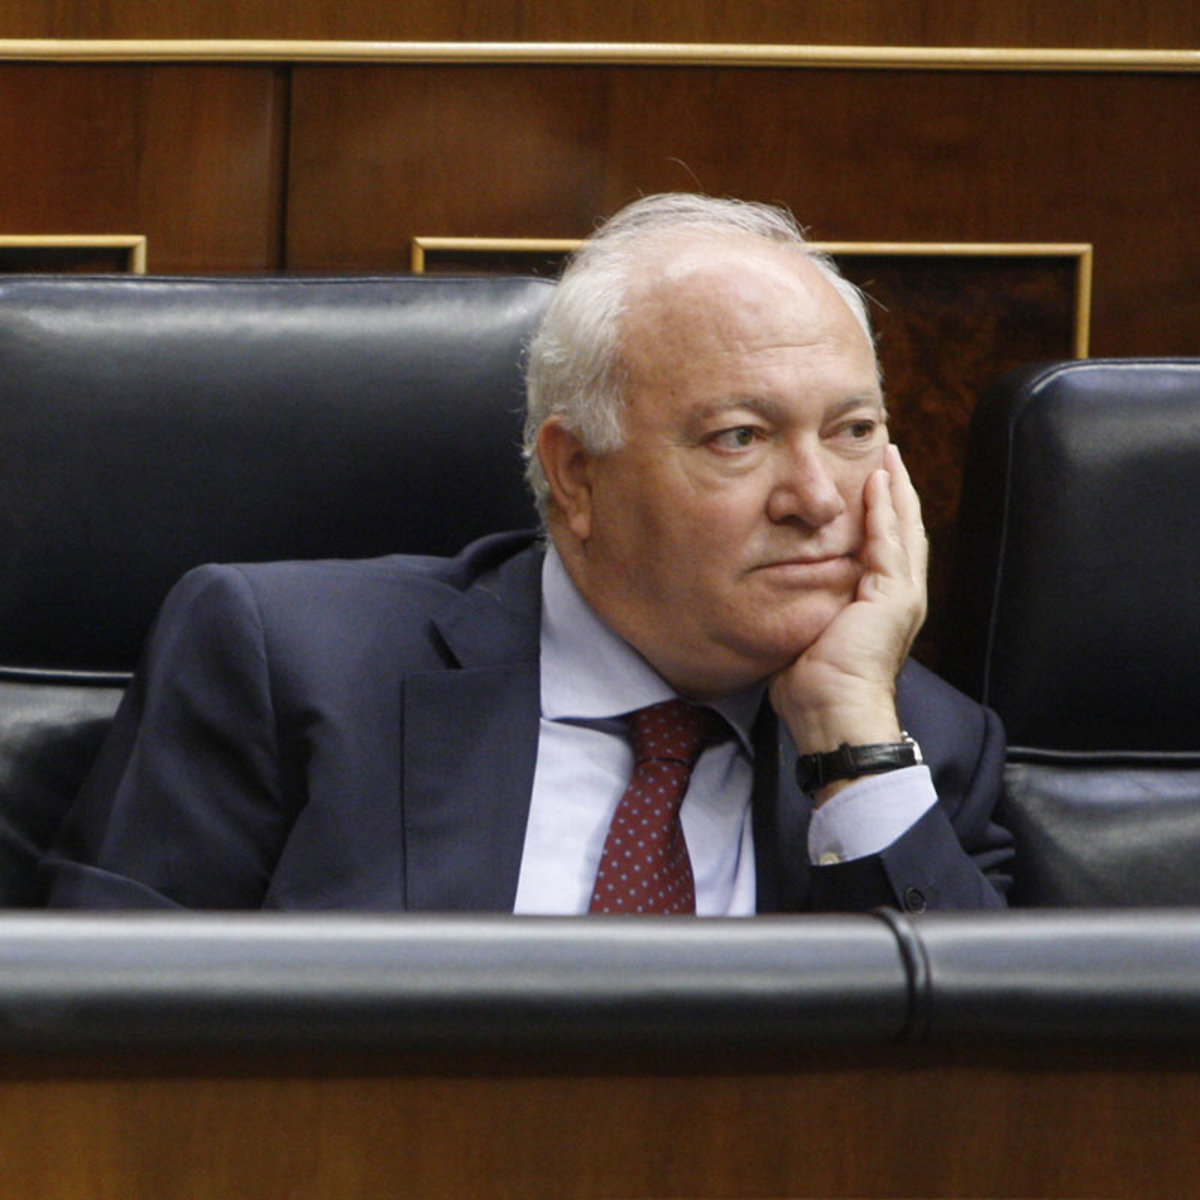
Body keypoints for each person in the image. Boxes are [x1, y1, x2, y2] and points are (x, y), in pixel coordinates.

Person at [42, 193, 1012, 912]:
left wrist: (851, 744)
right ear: (577, 476)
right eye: (740, 438)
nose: (817, 498)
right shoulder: (288, 666)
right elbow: (96, 1050)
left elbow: (988, 1092)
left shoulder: (922, 747)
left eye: (852, 431)